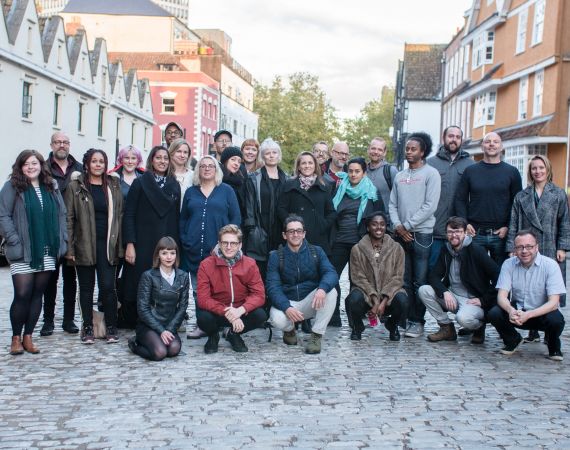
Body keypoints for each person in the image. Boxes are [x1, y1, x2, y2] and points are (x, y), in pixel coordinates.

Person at [0, 150, 67, 355]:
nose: (31, 167)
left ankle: (28, 336)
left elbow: (61, 214)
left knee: (38, 294)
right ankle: (15, 338)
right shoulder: (12, 186)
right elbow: (3, 215)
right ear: (20, 167)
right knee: (22, 294)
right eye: (26, 164)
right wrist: (14, 240)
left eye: (34, 163)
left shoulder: (51, 186)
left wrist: (62, 241)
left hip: (47, 248)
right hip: (23, 250)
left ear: (41, 165)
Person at [507, 155, 570, 343]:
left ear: (547, 169)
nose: (538, 171)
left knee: (548, 288)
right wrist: (512, 247)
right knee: (529, 287)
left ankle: (550, 330)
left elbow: (565, 222)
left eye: (541, 168)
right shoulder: (522, 196)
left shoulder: (558, 194)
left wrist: (563, 247)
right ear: (530, 171)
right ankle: (532, 328)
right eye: (534, 168)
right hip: (526, 247)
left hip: (550, 246)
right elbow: (513, 223)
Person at [65, 149, 123, 344]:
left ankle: (111, 325)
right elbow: (69, 218)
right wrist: (70, 249)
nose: (98, 165)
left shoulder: (113, 185)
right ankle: (88, 326)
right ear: (87, 164)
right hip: (84, 244)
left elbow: (120, 217)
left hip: (107, 244)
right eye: (94, 161)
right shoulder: (76, 186)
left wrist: (120, 247)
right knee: (86, 288)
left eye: (101, 161)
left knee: (108, 287)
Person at [180, 155, 241, 339]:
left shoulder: (227, 191)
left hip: (220, 251)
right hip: (194, 249)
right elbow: (183, 219)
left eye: (210, 166)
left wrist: (229, 244)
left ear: (217, 170)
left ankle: (223, 323)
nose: (206, 169)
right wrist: (185, 239)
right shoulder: (191, 192)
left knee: (221, 289)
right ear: (198, 170)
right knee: (199, 289)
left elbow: (236, 218)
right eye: (203, 166)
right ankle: (203, 325)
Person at [120, 146, 181, 328]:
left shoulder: (174, 185)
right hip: (143, 242)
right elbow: (129, 214)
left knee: (163, 282)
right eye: (158, 157)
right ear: (151, 160)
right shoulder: (140, 183)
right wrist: (130, 243)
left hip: (165, 241)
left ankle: (161, 318)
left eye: (165, 158)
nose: (162, 161)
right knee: (140, 282)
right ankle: (138, 319)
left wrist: (175, 247)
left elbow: (175, 217)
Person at [389, 132, 441, 338]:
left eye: (413, 149)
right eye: (407, 149)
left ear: (423, 151)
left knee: (420, 281)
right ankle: (404, 317)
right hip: (400, 234)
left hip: (422, 235)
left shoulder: (431, 174)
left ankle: (417, 321)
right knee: (404, 279)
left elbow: (430, 206)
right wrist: (398, 226)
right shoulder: (400, 176)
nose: (409, 152)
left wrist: (407, 226)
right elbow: (392, 204)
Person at [418, 216, 499, 344]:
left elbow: (498, 276)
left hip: (472, 301)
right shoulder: (446, 249)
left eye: (458, 232)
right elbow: (433, 276)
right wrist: (445, 291)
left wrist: (483, 300)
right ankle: (447, 328)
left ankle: (479, 327)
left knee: (463, 319)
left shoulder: (476, 250)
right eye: (450, 232)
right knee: (424, 290)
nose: (453, 235)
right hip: (453, 296)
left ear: (465, 232)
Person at [488, 230, 566, 361]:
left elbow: (554, 302)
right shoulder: (508, 264)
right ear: (515, 249)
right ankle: (513, 340)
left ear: (537, 247)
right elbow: (501, 296)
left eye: (529, 246)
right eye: (520, 247)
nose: (524, 251)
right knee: (494, 313)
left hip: (542, 313)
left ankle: (553, 346)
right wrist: (511, 310)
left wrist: (529, 314)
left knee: (556, 320)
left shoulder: (550, 265)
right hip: (518, 312)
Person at [267, 215, 339, 354]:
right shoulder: (276, 256)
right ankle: (289, 331)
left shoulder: (316, 251)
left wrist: (322, 289)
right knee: (277, 319)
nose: (295, 234)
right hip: (289, 302)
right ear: (284, 235)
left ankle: (316, 336)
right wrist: (286, 307)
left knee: (331, 291)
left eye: (299, 231)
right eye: (291, 231)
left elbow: (331, 273)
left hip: (311, 301)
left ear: (304, 233)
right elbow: (272, 287)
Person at [329, 157, 384, 326]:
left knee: (358, 282)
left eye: (357, 171)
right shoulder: (339, 188)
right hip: (338, 240)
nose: (353, 174)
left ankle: (355, 318)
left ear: (364, 173)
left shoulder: (372, 192)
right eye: (350, 171)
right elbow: (330, 212)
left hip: (360, 243)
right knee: (332, 278)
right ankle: (333, 315)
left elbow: (380, 218)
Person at [454, 131, 522, 266]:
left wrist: (508, 227)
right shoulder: (471, 171)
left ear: (501, 147)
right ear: (482, 146)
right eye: (487, 141)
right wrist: (465, 223)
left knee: (501, 275)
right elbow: (460, 199)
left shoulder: (512, 172)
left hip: (501, 234)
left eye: (496, 142)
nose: (491, 144)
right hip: (475, 233)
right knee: (476, 275)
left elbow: (517, 203)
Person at [196, 225, 266, 353]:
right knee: (203, 317)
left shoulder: (250, 264)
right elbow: (203, 298)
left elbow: (259, 295)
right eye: (225, 243)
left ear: (240, 245)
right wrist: (228, 312)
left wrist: (240, 310)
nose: (229, 247)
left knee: (260, 315)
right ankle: (213, 335)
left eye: (233, 243)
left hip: (240, 311)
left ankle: (233, 334)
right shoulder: (206, 265)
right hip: (217, 312)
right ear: (219, 243)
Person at [42, 131, 82, 336]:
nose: (62, 145)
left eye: (65, 142)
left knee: (70, 279)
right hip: (51, 231)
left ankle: (68, 320)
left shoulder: (79, 168)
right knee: (50, 278)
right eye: (58, 142)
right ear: (51, 145)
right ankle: (48, 320)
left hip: (74, 232)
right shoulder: (43, 169)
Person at [345, 211, 409, 341]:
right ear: (368, 227)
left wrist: (383, 301)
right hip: (366, 294)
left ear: (386, 227)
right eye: (374, 224)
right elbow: (358, 278)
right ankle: (357, 327)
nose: (378, 228)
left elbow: (398, 277)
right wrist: (374, 300)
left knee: (403, 300)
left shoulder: (397, 248)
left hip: (389, 295)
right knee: (352, 299)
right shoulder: (357, 249)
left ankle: (392, 325)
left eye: (382, 224)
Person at [128, 236, 189, 361]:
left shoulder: (183, 276)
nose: (168, 257)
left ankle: (162, 338)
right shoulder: (148, 276)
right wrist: (161, 331)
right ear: (158, 255)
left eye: (172, 253)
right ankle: (134, 345)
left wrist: (170, 329)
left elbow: (182, 308)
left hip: (169, 324)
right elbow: (143, 309)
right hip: (149, 325)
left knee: (174, 350)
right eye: (164, 253)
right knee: (160, 353)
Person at [426, 126, 474, 267]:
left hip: (460, 231)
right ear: (444, 138)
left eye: (458, 137)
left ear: (461, 140)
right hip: (435, 229)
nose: (454, 139)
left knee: (459, 270)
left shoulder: (470, 165)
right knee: (433, 268)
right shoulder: (430, 164)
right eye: (451, 136)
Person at [243, 138, 287, 279]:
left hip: (280, 231)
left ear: (279, 155)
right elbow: (249, 206)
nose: (271, 155)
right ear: (262, 156)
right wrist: (252, 229)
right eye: (267, 153)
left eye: (274, 152)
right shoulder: (254, 178)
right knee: (259, 274)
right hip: (260, 231)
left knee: (278, 272)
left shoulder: (287, 179)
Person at [277, 151, 336, 256]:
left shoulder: (324, 186)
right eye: (303, 163)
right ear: (299, 167)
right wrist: (291, 226)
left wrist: (322, 225)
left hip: (318, 238)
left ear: (315, 165)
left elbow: (331, 212)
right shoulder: (289, 184)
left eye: (310, 163)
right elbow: (281, 209)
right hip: (295, 237)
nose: (307, 166)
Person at [366, 137, 398, 213]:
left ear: (384, 152)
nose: (376, 152)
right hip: (365, 220)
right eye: (373, 148)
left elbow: (401, 198)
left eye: (380, 150)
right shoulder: (362, 171)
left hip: (386, 221)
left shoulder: (391, 171)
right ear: (368, 150)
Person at [220, 146, 247, 219]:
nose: (236, 164)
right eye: (233, 160)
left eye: (239, 161)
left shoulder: (241, 181)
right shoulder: (217, 181)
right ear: (225, 161)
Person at [168, 138, 194, 204]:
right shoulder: (165, 174)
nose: (182, 155)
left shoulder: (193, 176)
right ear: (171, 152)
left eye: (185, 152)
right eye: (179, 151)